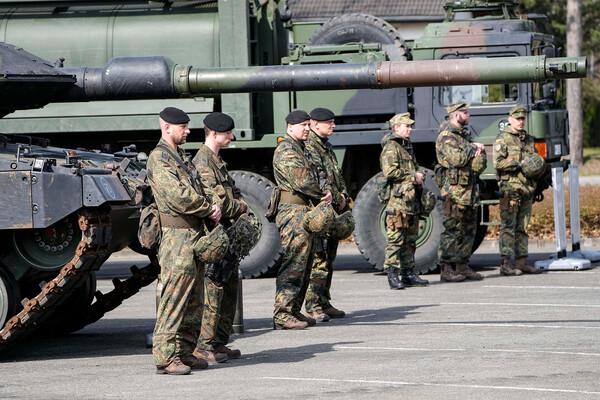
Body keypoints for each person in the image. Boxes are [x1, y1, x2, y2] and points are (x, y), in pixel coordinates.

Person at [148, 107, 222, 375]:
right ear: (167, 127)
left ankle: (184, 352)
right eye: (183, 127)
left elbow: (201, 186)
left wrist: (212, 203)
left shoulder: (180, 157)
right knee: (174, 297)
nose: (188, 131)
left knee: (194, 299)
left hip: (193, 234)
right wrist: (206, 207)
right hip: (176, 237)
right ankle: (165, 357)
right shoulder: (159, 158)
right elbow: (177, 196)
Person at [192, 112, 249, 363]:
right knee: (213, 289)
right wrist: (241, 207)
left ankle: (219, 342)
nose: (232, 137)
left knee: (229, 289)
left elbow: (233, 193)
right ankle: (203, 345)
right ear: (214, 134)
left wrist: (238, 204)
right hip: (215, 234)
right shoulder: (203, 162)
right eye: (228, 133)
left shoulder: (217, 160)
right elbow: (220, 203)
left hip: (227, 234)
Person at [272, 110, 332, 330]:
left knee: (306, 263)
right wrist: (321, 193)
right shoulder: (286, 149)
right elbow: (303, 180)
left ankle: (294, 310)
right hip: (292, 211)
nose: (307, 128)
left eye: (309, 125)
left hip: (305, 209)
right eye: (303, 125)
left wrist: (326, 190)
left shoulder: (304, 149)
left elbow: (321, 174)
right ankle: (282, 313)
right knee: (294, 262)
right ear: (290, 127)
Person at [303, 107, 348, 321]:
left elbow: (335, 177)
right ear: (315, 123)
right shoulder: (310, 147)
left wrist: (344, 196)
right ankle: (313, 305)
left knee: (329, 257)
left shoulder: (325, 146)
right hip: (320, 210)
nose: (333, 126)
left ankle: (324, 301)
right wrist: (335, 198)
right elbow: (319, 182)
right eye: (329, 122)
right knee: (319, 259)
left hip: (333, 209)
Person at [435, 103, 487, 282]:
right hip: (454, 192)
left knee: (469, 228)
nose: (468, 115)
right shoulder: (447, 137)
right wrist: (474, 148)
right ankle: (447, 268)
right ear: (456, 115)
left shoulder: (463, 136)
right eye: (465, 112)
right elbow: (457, 159)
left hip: (469, 190)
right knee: (453, 229)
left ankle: (463, 265)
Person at [380, 113, 430, 290]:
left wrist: (418, 175)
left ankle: (409, 273)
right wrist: (412, 175)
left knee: (410, 239)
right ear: (396, 128)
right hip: (398, 202)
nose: (409, 129)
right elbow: (390, 172)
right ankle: (392, 274)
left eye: (410, 126)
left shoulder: (406, 146)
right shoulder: (391, 147)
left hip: (410, 200)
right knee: (396, 239)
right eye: (406, 126)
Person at [493, 105, 542, 275]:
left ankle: (522, 262)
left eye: (523, 119)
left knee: (523, 227)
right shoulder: (503, 139)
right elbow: (498, 163)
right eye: (518, 119)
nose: (521, 122)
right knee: (509, 226)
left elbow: (535, 160)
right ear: (510, 119)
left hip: (526, 188)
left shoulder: (528, 139)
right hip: (510, 188)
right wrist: (519, 162)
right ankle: (506, 264)